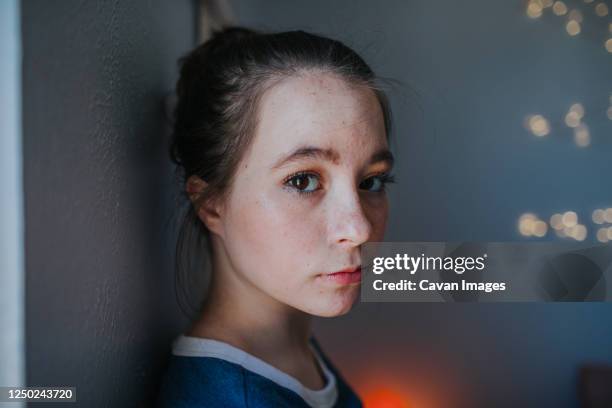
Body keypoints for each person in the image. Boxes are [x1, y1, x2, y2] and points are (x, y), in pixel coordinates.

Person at [158, 26, 395, 408]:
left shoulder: (289, 351)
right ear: (211, 203)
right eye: (302, 181)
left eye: (371, 181)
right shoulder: (226, 399)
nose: (358, 228)